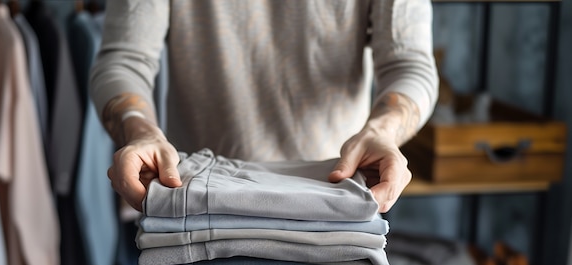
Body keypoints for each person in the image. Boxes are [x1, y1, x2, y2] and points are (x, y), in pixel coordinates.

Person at [89, 0, 439, 214]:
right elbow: (125, 59)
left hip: (336, 202)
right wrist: (139, 129)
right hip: (194, 201)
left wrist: (383, 130)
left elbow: (409, 65)